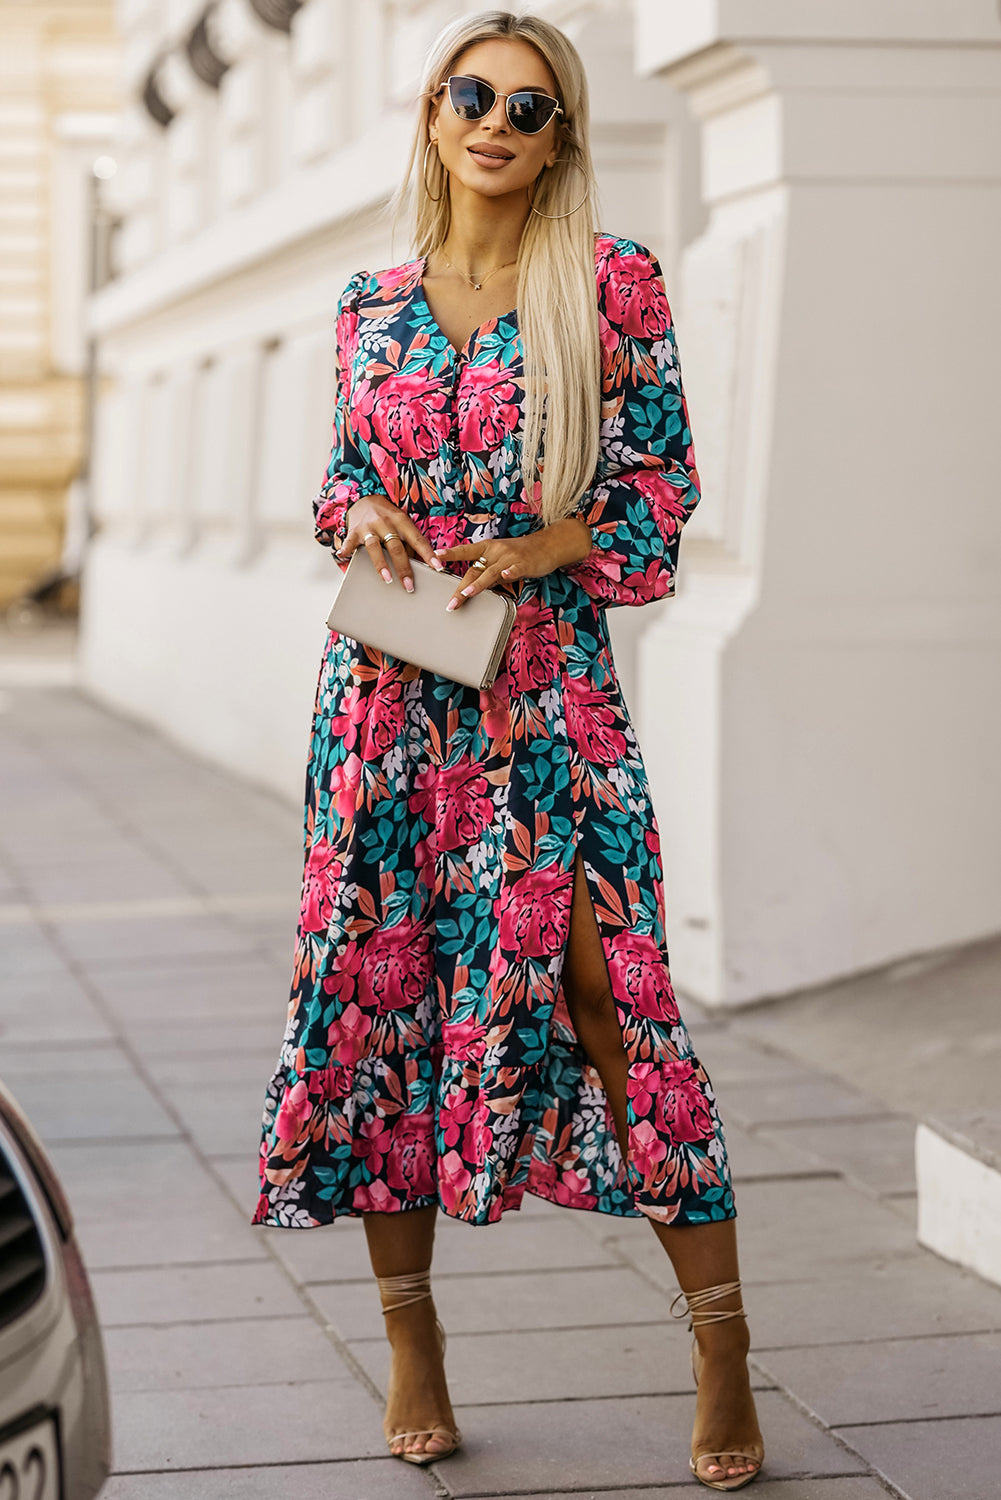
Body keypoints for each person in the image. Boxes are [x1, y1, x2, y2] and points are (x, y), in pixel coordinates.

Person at [252, 8, 765, 1492]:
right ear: (428, 113)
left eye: (527, 107)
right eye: (468, 95)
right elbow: (345, 475)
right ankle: (410, 1341)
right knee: (378, 1009)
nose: (492, 120)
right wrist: (353, 512)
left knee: (619, 1005)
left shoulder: (609, 287)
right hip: (385, 706)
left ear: (559, 139)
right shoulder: (369, 299)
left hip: (550, 711)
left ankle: (721, 1341)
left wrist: (552, 535)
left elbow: (661, 495)